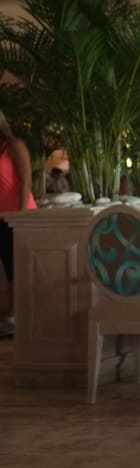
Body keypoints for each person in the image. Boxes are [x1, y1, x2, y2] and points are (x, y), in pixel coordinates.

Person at [0, 109, 36, 337]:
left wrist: (21, 216)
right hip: (1, 216)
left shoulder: (14, 145)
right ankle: (12, 314)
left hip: (18, 216)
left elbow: (26, 181)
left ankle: (16, 314)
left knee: (17, 266)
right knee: (8, 266)